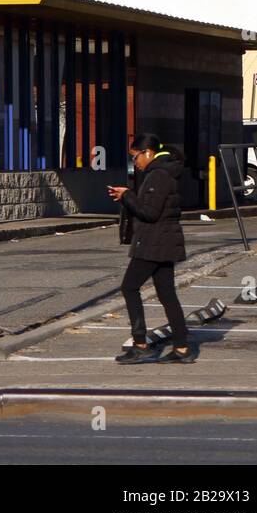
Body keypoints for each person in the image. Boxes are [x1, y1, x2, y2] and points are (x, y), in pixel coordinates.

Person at [107, 133, 195, 364]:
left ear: (148, 153)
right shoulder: (164, 172)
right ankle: (182, 347)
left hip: (154, 242)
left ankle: (140, 344)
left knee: (129, 287)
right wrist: (127, 196)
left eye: (135, 157)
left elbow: (149, 213)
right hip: (164, 241)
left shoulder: (158, 175)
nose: (134, 162)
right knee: (167, 294)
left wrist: (127, 196)